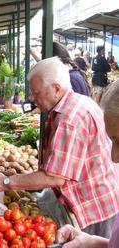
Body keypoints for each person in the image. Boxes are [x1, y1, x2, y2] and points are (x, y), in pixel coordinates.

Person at [0, 57, 119, 238]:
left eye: (36, 93)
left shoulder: (69, 120)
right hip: (103, 197)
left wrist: (5, 182)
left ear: (56, 89)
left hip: (93, 207)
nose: (31, 98)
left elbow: (54, 178)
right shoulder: (80, 102)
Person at [55, 80, 119, 248]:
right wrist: (89, 241)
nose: (114, 157)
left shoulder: (70, 117)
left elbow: (55, 176)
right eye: (112, 141)